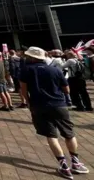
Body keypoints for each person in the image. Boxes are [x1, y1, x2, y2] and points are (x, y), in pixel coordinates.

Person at [20, 47, 89, 179]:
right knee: (69, 133)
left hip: (38, 105)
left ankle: (63, 165)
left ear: (32, 58)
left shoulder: (26, 70)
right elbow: (67, 90)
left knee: (51, 135)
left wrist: (29, 103)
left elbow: (24, 90)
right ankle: (75, 161)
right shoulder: (55, 69)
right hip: (58, 104)